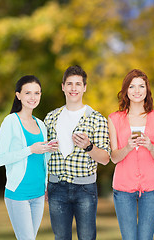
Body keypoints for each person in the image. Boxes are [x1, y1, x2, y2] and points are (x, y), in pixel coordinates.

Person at [44, 65, 110, 240]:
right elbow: (44, 156)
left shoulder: (97, 119)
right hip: (56, 187)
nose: (74, 88)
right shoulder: (50, 118)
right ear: (63, 86)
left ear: (84, 87)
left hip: (85, 190)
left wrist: (89, 146)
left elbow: (105, 159)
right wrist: (44, 183)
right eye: (70, 84)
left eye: (78, 84)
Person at [108, 69, 154, 240]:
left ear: (147, 90)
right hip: (123, 187)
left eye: (141, 86)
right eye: (132, 86)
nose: (137, 91)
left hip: (151, 187)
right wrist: (127, 147)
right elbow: (114, 157)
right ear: (126, 90)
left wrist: (150, 146)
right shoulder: (114, 119)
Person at [0, 75, 57, 240]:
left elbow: (41, 160)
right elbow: (0, 159)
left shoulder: (41, 124)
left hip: (38, 193)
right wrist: (30, 149)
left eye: (37, 93)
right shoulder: (10, 121)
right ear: (18, 95)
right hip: (18, 193)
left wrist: (50, 149)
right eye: (28, 93)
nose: (33, 97)